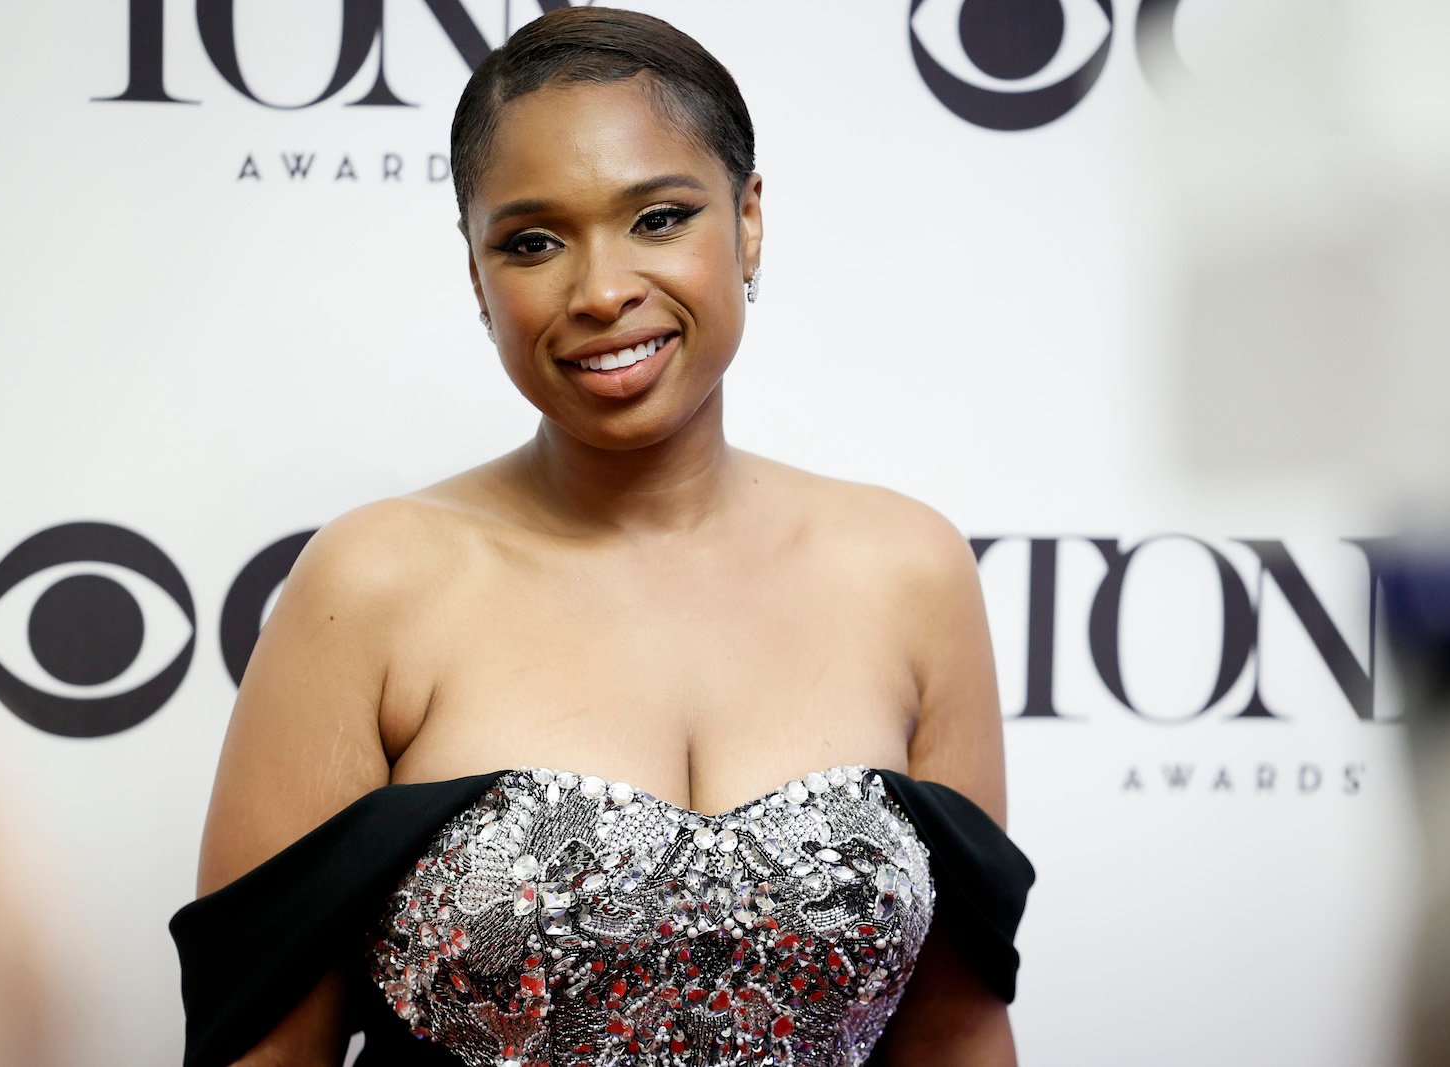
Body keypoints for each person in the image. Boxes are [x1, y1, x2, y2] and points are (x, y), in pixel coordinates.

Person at [171, 9, 1033, 1066]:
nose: (603, 291)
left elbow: (955, 1030)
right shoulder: (373, 583)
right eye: (532, 241)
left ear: (748, 220)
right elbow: (265, 1049)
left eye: (659, 217)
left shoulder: (908, 570)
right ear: (475, 268)